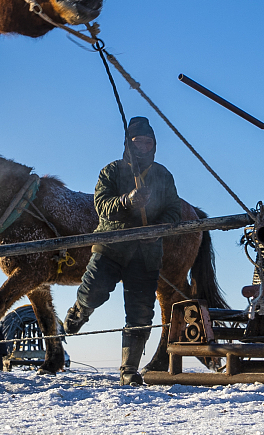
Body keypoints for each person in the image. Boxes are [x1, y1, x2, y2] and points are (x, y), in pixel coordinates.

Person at [64, 116, 182, 386]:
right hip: (112, 246)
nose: (143, 146)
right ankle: (80, 311)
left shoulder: (164, 176)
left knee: (141, 312)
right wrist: (127, 200)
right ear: (128, 143)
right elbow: (102, 205)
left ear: (154, 145)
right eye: (137, 141)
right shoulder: (111, 171)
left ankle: (129, 369)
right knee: (93, 289)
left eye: (147, 142)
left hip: (147, 253)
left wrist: (161, 227)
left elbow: (174, 209)